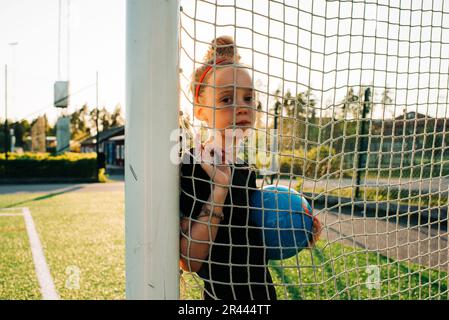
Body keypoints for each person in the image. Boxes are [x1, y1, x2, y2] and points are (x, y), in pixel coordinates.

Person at [179, 35, 320, 300]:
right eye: (225, 99)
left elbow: (253, 233)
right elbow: (190, 261)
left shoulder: (245, 168)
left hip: (264, 294)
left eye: (248, 98)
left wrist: (300, 228)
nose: (242, 108)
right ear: (200, 110)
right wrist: (219, 191)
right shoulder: (191, 165)